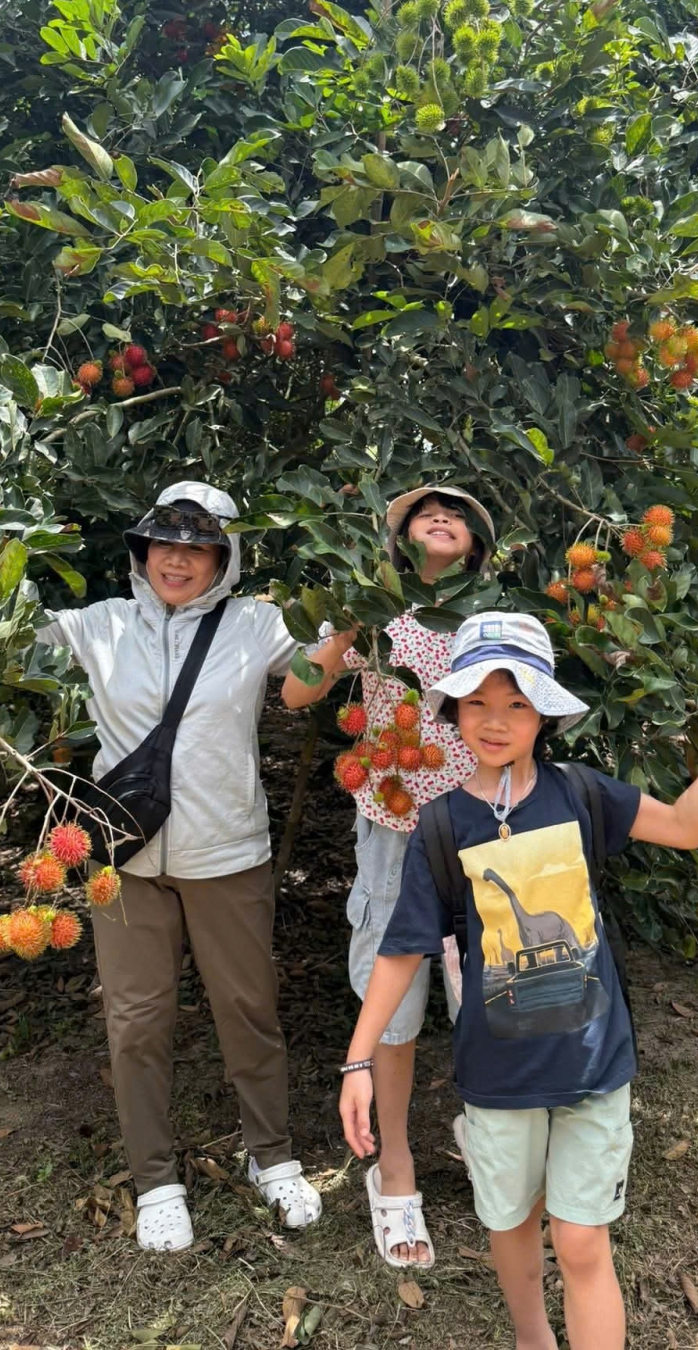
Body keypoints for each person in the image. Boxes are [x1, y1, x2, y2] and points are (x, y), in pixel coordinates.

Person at [339, 611, 698, 1348]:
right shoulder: (441, 826)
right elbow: (402, 949)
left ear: (544, 712)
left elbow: (689, 825)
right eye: (478, 703)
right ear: (452, 713)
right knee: (510, 1221)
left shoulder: (579, 793)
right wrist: (357, 1059)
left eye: (515, 704)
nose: (496, 721)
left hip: (593, 1063)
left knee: (579, 1240)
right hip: (498, 1073)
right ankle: (532, 1337)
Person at [38, 481, 322, 1252]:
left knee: (248, 1008)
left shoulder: (258, 624)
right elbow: (2, 640)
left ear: (223, 560)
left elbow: (313, 674)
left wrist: (361, 610)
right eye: (163, 543)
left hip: (227, 853)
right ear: (141, 551)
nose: (176, 558)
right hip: (123, 858)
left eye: (196, 547)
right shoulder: (100, 625)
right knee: (134, 1022)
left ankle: (271, 1155)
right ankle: (156, 1177)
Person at [281, 486, 495, 1268]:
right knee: (394, 1012)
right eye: (423, 512)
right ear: (402, 537)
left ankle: (489, 1130)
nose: (439, 516)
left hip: (481, 829)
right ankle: (395, 1168)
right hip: (396, 832)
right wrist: (343, 631)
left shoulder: (490, 619)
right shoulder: (374, 612)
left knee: (491, 996)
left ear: (473, 545)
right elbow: (298, 691)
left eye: (456, 513)